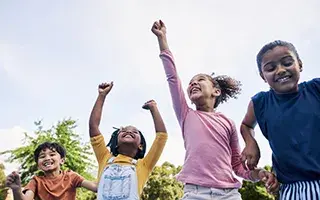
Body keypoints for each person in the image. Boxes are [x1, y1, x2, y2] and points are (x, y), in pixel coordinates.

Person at [151, 20, 278, 200]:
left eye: (200, 79)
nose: (193, 83)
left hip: (229, 194)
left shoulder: (228, 123)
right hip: (195, 193)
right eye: (190, 83)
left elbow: (237, 165)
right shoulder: (186, 115)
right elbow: (172, 78)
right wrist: (162, 39)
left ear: (216, 91)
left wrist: (258, 174)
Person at [240, 40, 320, 199]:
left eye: (287, 63)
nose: (281, 70)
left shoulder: (316, 88)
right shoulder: (260, 103)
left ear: (300, 64)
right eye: (271, 68)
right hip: (294, 188)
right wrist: (250, 142)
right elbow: (246, 125)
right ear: (263, 76)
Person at [89, 82, 168, 200]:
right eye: (124, 130)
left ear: (140, 146)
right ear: (116, 141)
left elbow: (161, 137)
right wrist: (102, 96)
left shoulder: (144, 165)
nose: (129, 132)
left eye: (134, 132)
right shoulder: (104, 158)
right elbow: (93, 127)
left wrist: (153, 108)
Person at [5, 142, 97, 200]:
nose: (47, 158)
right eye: (42, 156)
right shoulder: (36, 181)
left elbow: (95, 187)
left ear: (62, 160)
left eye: (52, 154)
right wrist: (16, 189)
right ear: (38, 164)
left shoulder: (71, 176)